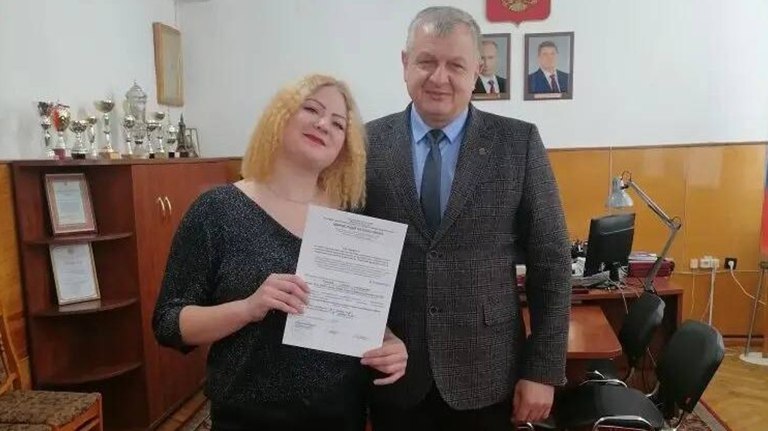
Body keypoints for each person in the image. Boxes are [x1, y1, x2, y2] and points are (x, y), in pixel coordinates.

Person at [153, 74, 408, 431]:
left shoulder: (353, 218)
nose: (324, 124)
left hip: (340, 416)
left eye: (338, 124)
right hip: (247, 418)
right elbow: (168, 323)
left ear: (344, 146)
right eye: (311, 109)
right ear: (280, 117)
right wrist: (247, 308)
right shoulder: (218, 210)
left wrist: (390, 342)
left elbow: (364, 315)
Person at [365, 6, 571, 431]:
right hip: (393, 371)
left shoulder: (518, 143)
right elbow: (346, 253)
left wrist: (543, 370)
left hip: (487, 372)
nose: (439, 78)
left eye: (456, 65)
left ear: (477, 69)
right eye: (426, 61)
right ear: (405, 63)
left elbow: (551, 262)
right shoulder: (365, 144)